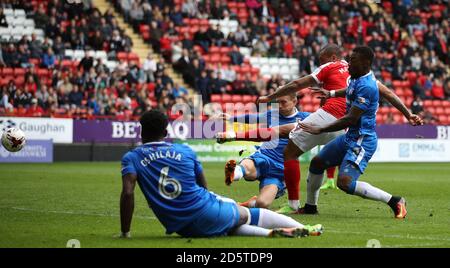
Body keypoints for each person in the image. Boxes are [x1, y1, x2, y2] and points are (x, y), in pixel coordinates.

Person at [224, 44, 423, 214]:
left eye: (322, 60)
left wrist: (270, 97)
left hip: (351, 130)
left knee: (292, 153)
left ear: (333, 58)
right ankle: (310, 207)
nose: (321, 64)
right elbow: (386, 92)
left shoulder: (337, 67)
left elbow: (297, 84)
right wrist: (408, 114)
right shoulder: (360, 76)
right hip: (346, 133)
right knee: (317, 162)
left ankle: (294, 204)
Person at [119, 110, 323, 238]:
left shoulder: (132, 157)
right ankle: (301, 228)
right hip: (208, 204)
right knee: (244, 214)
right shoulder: (185, 151)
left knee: (232, 222)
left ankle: (271, 233)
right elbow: (203, 187)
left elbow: (128, 193)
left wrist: (125, 232)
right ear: (165, 133)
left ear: (140, 131)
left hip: (182, 227)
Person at [299, 46, 407, 218]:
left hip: (362, 140)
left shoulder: (368, 87)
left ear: (365, 63)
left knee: (345, 183)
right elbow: (350, 90)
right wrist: (331, 93)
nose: (348, 64)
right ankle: (310, 207)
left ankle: (395, 201)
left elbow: (350, 119)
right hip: (349, 137)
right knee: (317, 163)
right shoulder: (355, 78)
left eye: (353, 60)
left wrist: (320, 129)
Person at [215, 94, 336, 209]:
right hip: (264, 156)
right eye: (277, 102)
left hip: (280, 169)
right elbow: (252, 118)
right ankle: (234, 173)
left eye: (283, 102)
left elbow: (326, 125)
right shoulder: (271, 115)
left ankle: (245, 204)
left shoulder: (306, 118)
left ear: (294, 101)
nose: (280, 105)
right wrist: (231, 118)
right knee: (247, 168)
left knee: (262, 203)